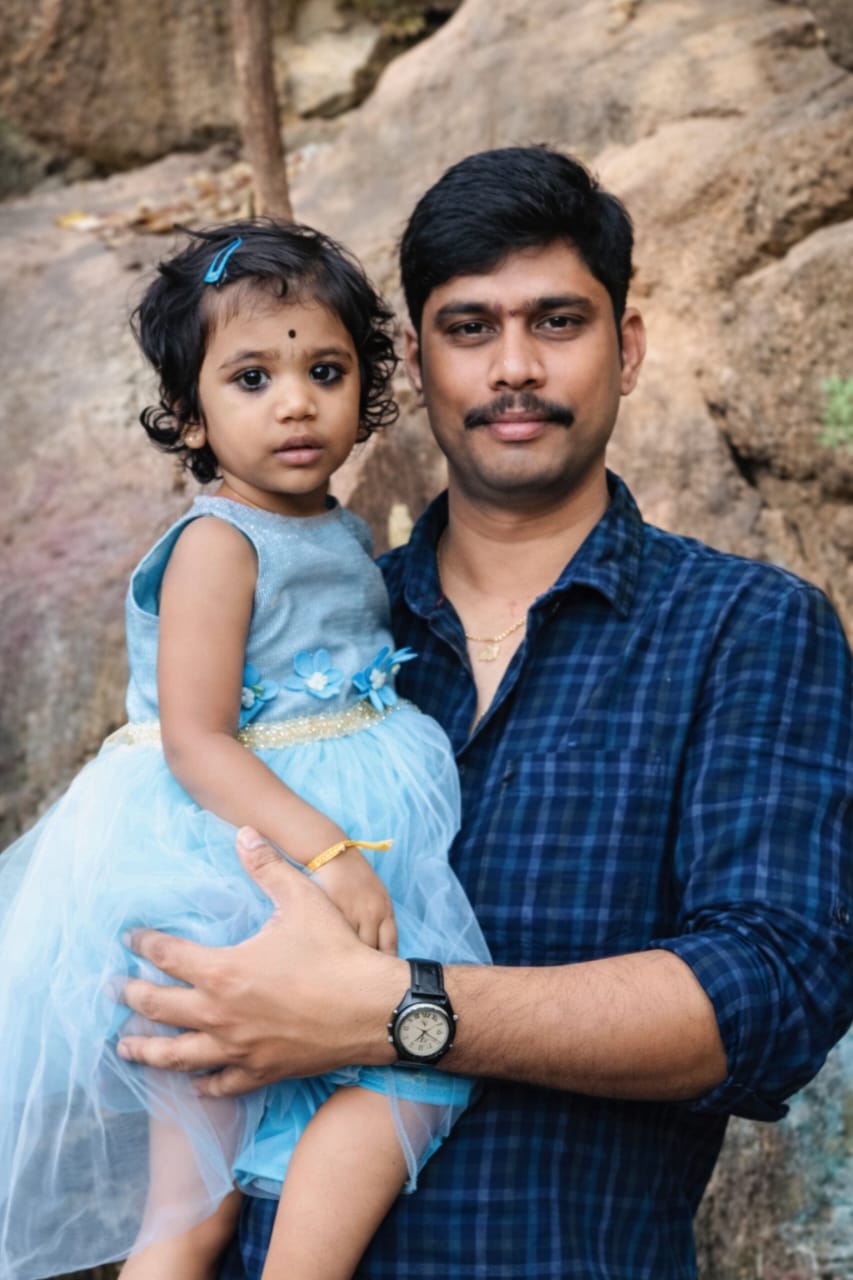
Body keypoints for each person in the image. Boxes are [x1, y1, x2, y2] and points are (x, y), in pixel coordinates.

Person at [118, 146, 853, 1280]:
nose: (514, 366)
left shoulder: (745, 628)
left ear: (629, 345)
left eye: (557, 320)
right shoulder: (312, 638)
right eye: (469, 327)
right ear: (412, 363)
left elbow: (771, 991)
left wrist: (398, 1013)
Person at [0, 219, 490, 1280]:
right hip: (238, 864)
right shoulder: (219, 543)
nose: (295, 402)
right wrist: (328, 852)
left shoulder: (340, 530)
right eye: (252, 377)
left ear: (369, 382)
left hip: (325, 838)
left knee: (368, 1077)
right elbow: (194, 737)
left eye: (323, 369)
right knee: (211, 1186)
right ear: (189, 416)